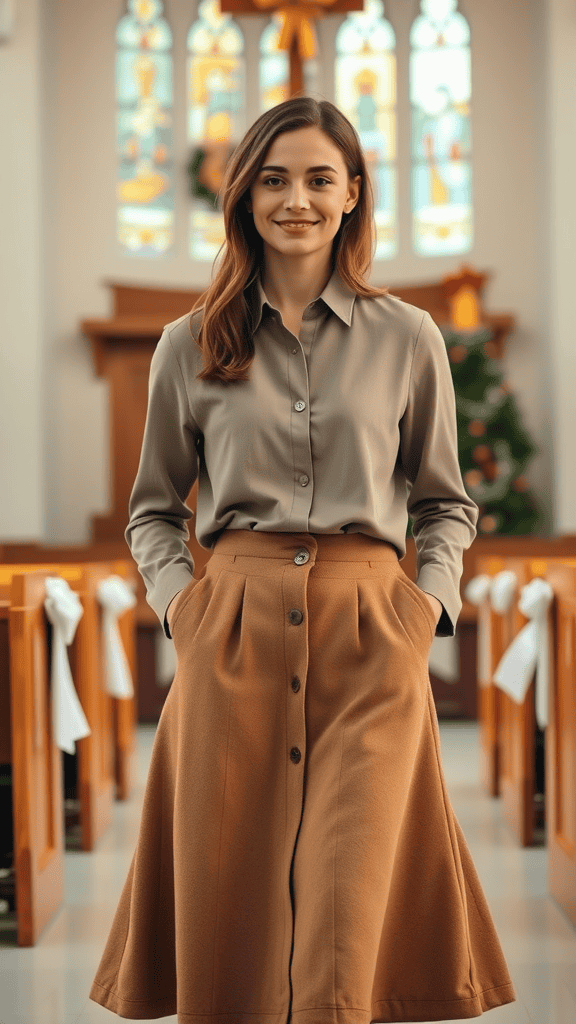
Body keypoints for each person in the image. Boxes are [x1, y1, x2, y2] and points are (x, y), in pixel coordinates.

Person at [89, 97, 516, 1023]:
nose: (297, 200)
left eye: (321, 178)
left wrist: (423, 610)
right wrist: (184, 610)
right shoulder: (186, 343)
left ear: (354, 194)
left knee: (344, 912)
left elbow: (445, 502)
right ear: (244, 196)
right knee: (231, 917)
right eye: (274, 179)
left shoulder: (409, 338)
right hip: (230, 636)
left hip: (373, 638)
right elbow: (154, 513)